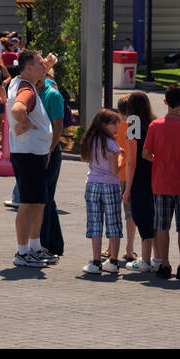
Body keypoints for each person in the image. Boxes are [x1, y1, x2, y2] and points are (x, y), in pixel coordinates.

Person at [7, 50, 54, 268]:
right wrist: (23, 120)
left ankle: (34, 247)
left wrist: (47, 65)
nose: (43, 65)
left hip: (32, 152)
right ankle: (23, 252)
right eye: (39, 62)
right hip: (29, 153)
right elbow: (18, 109)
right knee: (28, 204)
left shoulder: (21, 81)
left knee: (38, 202)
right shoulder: (26, 88)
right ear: (27, 67)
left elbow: (39, 76)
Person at [79, 109, 125, 274]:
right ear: (104, 124)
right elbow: (114, 170)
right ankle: (113, 261)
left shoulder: (90, 140)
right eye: (114, 124)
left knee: (95, 223)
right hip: (110, 185)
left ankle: (96, 261)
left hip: (92, 184)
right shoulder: (111, 144)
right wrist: (121, 156)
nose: (116, 127)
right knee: (113, 223)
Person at [122, 90, 156, 272]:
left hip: (140, 177)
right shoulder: (153, 122)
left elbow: (131, 160)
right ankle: (157, 258)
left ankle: (145, 260)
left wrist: (127, 188)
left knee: (141, 216)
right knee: (154, 216)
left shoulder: (133, 123)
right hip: (155, 175)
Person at [37, 56, 67, 260]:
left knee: (44, 199)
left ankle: (45, 244)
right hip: (36, 150)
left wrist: (49, 149)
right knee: (46, 197)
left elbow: (58, 126)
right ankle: (55, 243)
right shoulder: (28, 90)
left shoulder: (52, 93)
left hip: (49, 151)